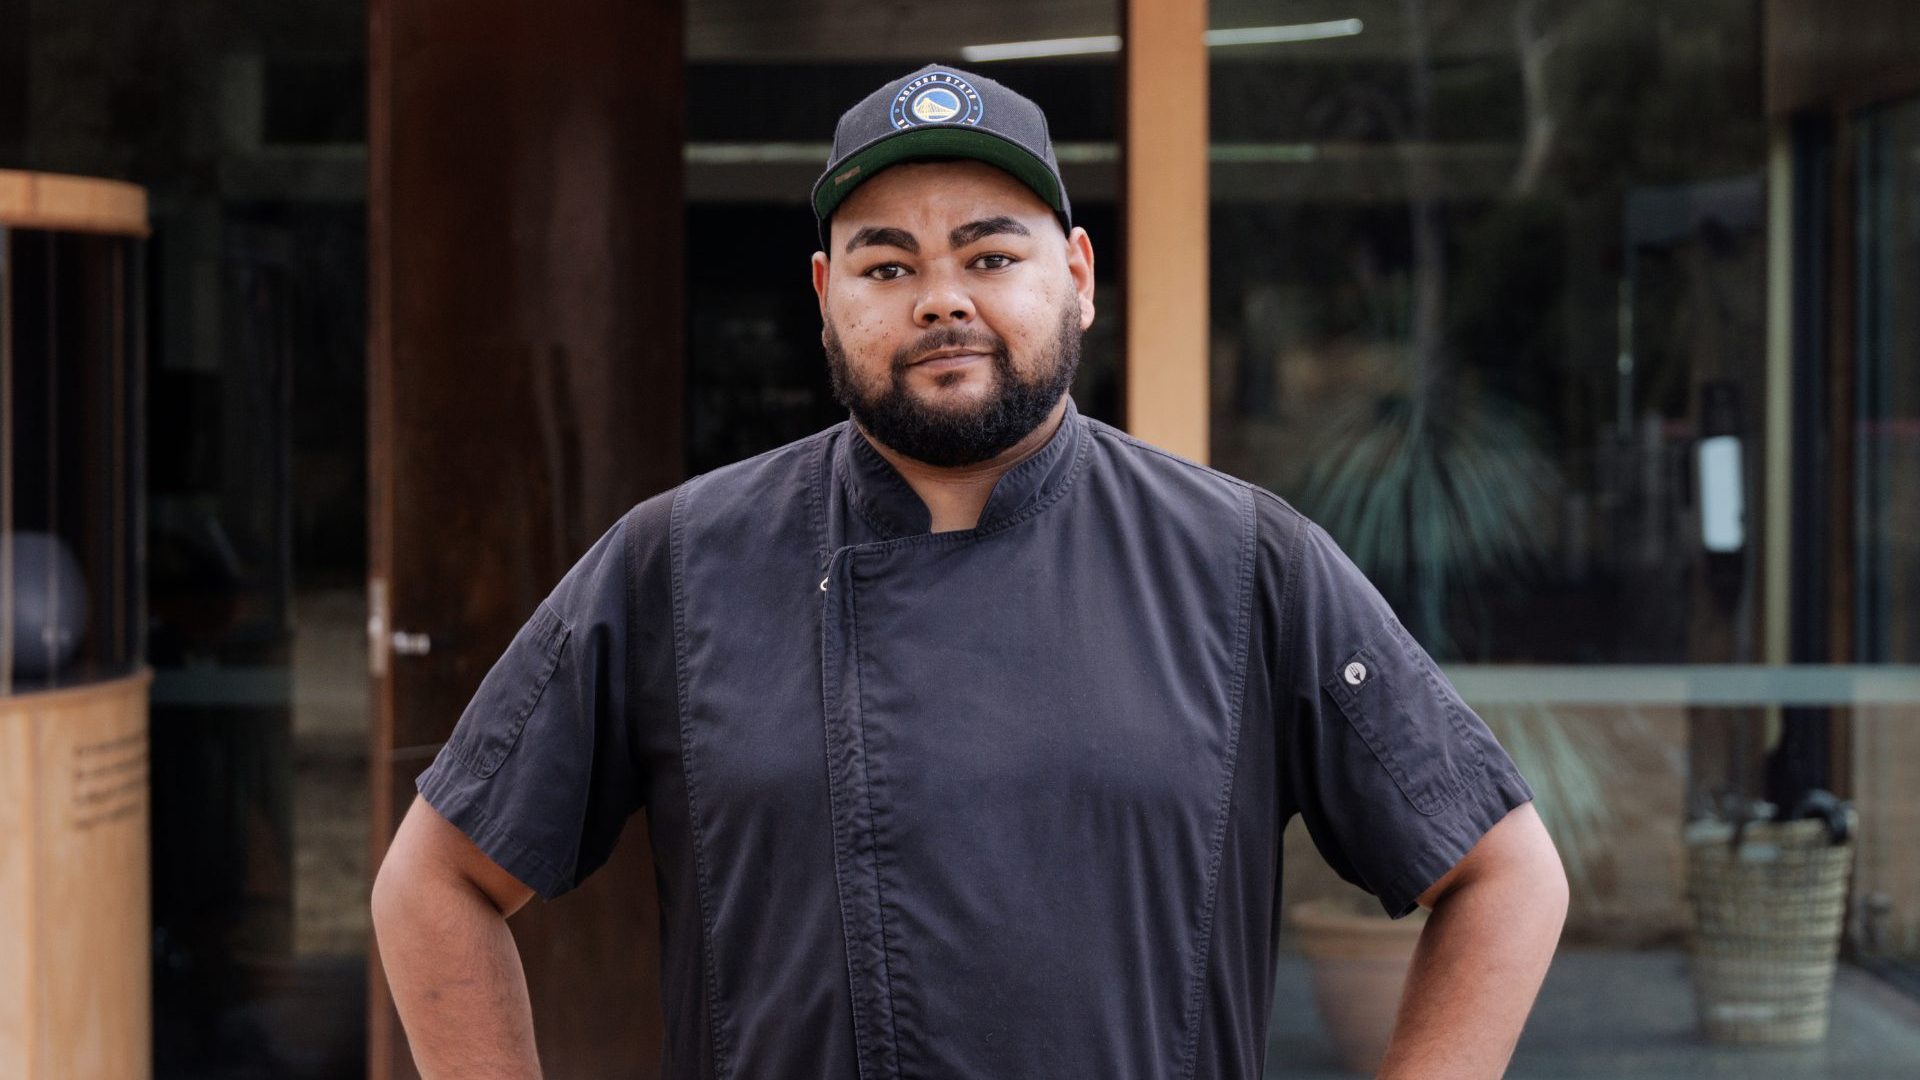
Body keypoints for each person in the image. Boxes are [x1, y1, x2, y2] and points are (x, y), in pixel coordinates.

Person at [371, 63, 1568, 1079]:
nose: (942, 300)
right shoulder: (675, 566)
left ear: (1079, 277)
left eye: (990, 255)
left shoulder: (1244, 562)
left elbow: (1504, 874)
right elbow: (433, 884)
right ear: (826, 299)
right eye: (887, 267)